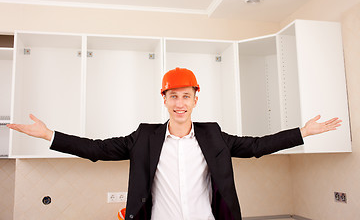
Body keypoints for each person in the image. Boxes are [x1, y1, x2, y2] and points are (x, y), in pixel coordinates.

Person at [7, 67, 341, 220]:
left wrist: (303, 132)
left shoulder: (213, 135)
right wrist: (49, 136)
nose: (179, 103)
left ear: (196, 99)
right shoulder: (143, 137)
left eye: (185, 96)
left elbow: (256, 146)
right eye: (173, 97)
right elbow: (95, 150)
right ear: (164, 100)